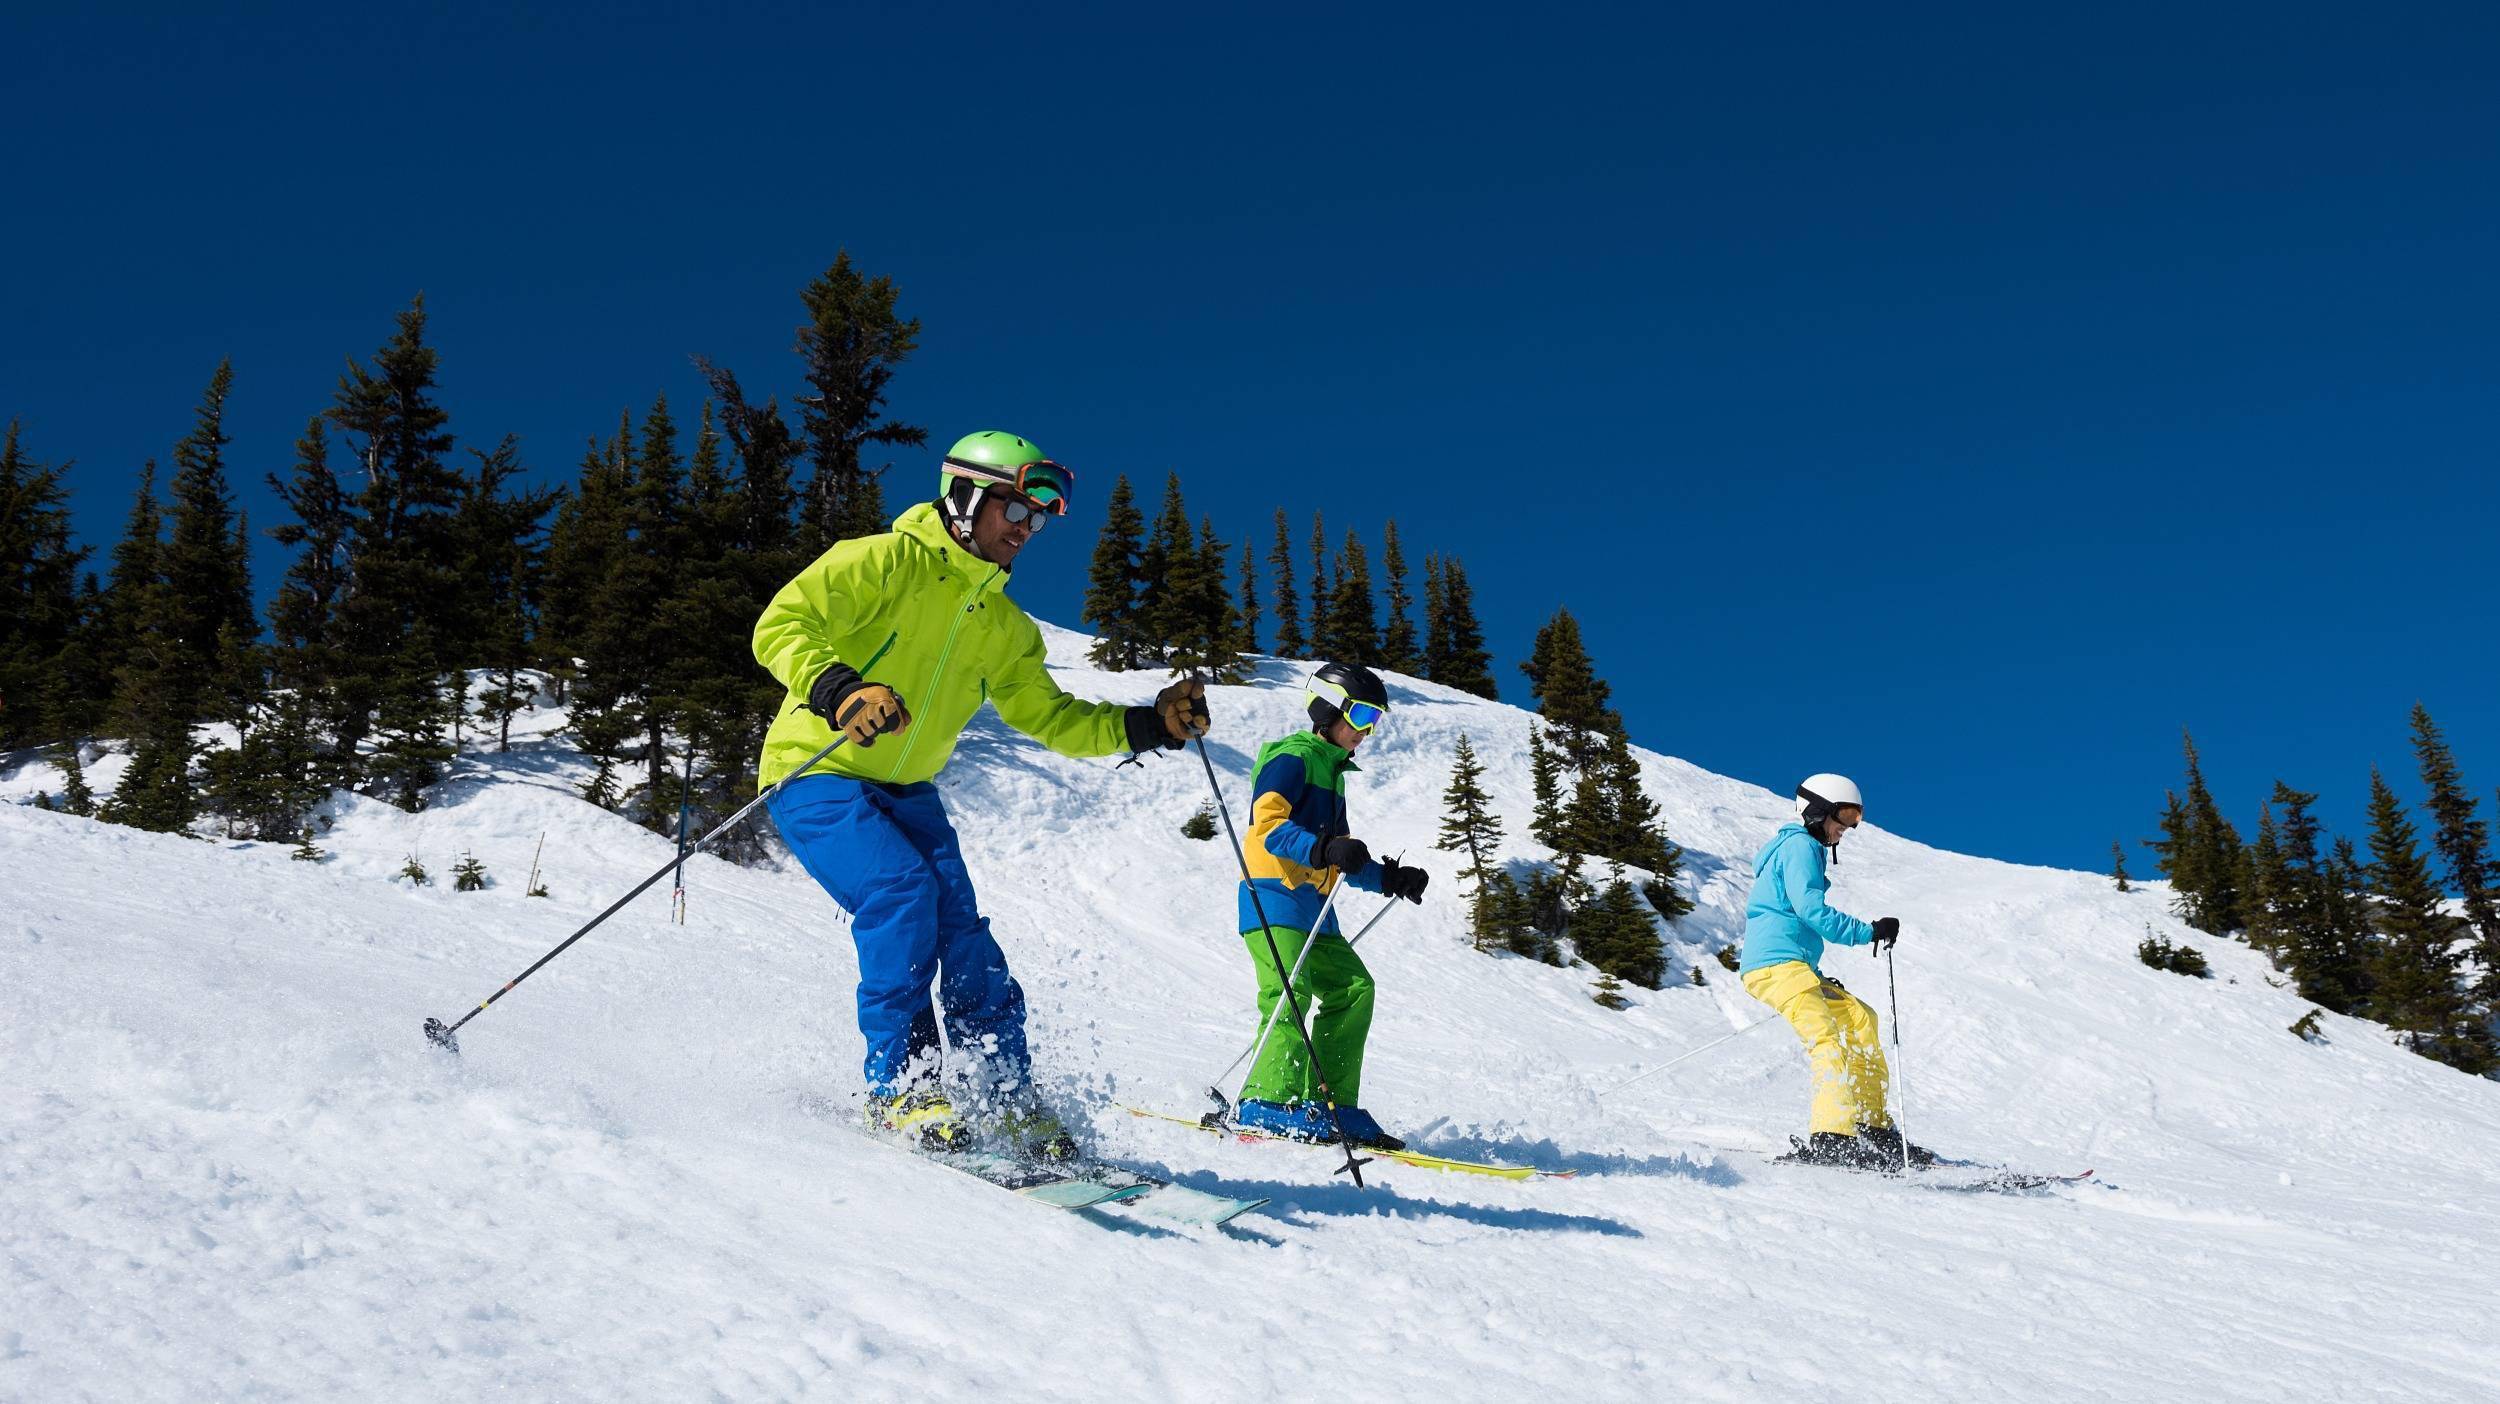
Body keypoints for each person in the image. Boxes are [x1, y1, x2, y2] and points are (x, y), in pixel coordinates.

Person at [753, 430, 1210, 1159]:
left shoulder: (1004, 626)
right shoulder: (881, 561)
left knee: (962, 929)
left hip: (908, 789)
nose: (1027, 532)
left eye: (1037, 521)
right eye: (1017, 512)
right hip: (816, 770)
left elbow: (1053, 718)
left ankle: (1002, 1090)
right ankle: (903, 1085)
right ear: (964, 496)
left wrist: (1150, 725)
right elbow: (781, 623)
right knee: (903, 894)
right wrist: (840, 689)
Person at [1230, 661, 1429, 1151]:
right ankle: (1266, 1101)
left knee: (1354, 988)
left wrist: (1387, 878)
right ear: (1327, 707)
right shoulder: (1291, 758)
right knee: (1289, 992)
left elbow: (1339, 854)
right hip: (1272, 896)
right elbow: (1268, 827)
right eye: (1361, 715)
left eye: (1375, 720)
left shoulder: (1334, 774)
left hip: (1316, 907)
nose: (1367, 730)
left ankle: (1330, 1106)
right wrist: (1322, 849)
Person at [1739, 773, 1932, 1169]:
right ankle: (1831, 1136)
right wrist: (1869, 932)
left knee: (1861, 1017)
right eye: (1839, 821)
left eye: (1849, 824)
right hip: (1775, 966)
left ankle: (1870, 1124)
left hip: (1796, 966)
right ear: (1816, 812)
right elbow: (1812, 911)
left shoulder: (1805, 847)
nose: (1843, 831)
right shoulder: (1799, 847)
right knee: (1827, 1042)